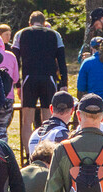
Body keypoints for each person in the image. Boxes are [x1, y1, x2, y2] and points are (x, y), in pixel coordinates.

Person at [12, 12, 69, 145]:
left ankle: (29, 154)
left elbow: (15, 61)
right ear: (44, 23)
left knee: (27, 121)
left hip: (29, 78)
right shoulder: (55, 35)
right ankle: (46, 150)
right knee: (48, 119)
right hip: (49, 78)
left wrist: (17, 84)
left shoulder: (21, 34)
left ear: (29, 23)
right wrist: (63, 83)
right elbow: (62, 61)